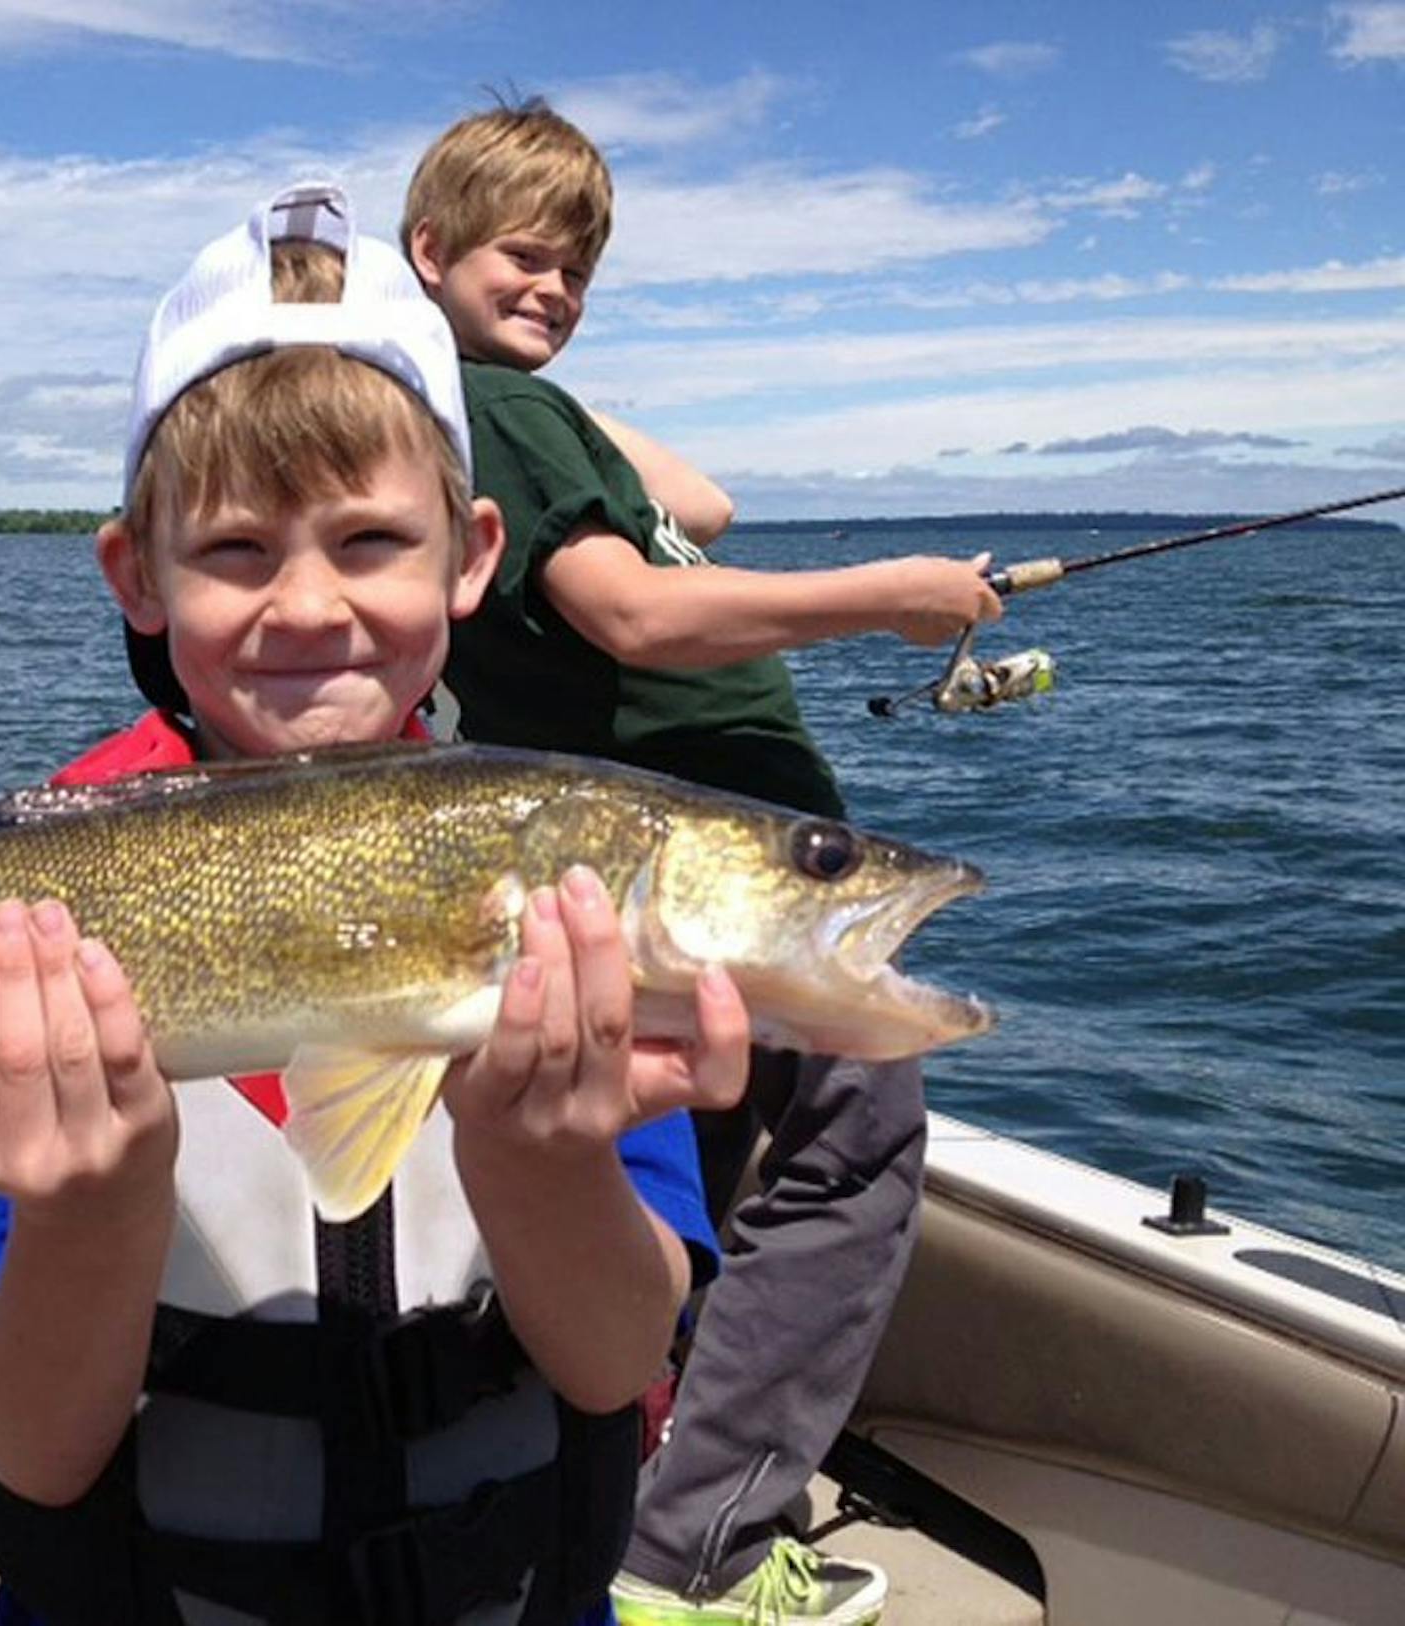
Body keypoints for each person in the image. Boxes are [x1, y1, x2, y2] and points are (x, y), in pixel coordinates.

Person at [0, 180, 754, 1626]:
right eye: (237, 551)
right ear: (138, 575)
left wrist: (541, 1166)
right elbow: (35, 1449)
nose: (310, 605)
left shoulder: (559, 890)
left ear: (470, 557)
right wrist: (94, 1213)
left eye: (372, 542)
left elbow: (610, 1358)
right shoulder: (18, 919)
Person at [400, 102, 1006, 1626]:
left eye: (578, 272)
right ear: (429, 258)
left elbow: (705, 509)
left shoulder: (527, 414)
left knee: (704, 1174)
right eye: (521, 261)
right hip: (709, 877)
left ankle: (643, 1507)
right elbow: (642, 615)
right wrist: (890, 596)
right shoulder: (499, 415)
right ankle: (693, 1555)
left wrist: (547, 381)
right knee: (852, 1146)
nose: (551, 292)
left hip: (712, 879)